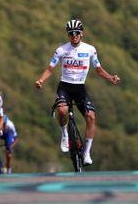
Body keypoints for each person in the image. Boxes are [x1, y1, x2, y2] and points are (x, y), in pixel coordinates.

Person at [35, 19, 121, 166]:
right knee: (62, 111)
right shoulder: (61, 50)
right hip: (65, 87)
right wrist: (41, 80)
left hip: (80, 88)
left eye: (76, 33)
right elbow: (50, 69)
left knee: (91, 116)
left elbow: (99, 70)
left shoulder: (90, 49)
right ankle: (64, 134)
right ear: (68, 35)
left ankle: (87, 153)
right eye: (71, 33)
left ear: (82, 34)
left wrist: (111, 77)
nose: (74, 35)